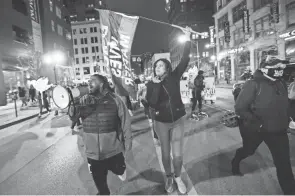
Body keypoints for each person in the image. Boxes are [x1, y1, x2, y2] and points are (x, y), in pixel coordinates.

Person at [232, 55, 295, 195]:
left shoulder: (281, 83)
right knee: (248, 150)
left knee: (283, 163)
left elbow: (286, 104)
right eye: (276, 67)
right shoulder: (253, 84)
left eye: (282, 67)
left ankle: (290, 190)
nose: (280, 70)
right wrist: (258, 124)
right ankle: (236, 160)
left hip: (278, 130)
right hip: (256, 129)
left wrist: (290, 118)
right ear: (264, 69)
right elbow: (240, 108)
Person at [145, 27, 191, 194]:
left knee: (177, 154)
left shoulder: (174, 76)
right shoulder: (150, 84)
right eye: (156, 65)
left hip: (178, 119)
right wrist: (156, 86)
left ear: (167, 68)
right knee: (165, 153)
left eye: (161, 65)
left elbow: (185, 59)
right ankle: (169, 177)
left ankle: (178, 177)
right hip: (161, 122)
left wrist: (187, 38)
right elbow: (151, 104)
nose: (158, 67)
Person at [78, 74, 132, 195]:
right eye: (88, 81)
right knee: (102, 190)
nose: (89, 83)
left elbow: (125, 123)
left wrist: (128, 144)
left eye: (92, 81)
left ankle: (120, 170)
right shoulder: (84, 101)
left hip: (113, 151)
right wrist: (74, 107)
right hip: (93, 155)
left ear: (101, 84)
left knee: (120, 170)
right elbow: (75, 121)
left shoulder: (116, 100)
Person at [136, 75, 159, 145]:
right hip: (150, 104)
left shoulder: (161, 85)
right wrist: (140, 98)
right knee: (155, 121)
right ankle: (156, 138)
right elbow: (139, 92)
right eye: (156, 78)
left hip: (158, 106)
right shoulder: (147, 85)